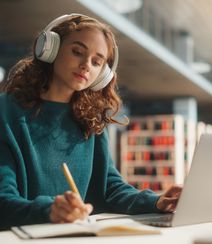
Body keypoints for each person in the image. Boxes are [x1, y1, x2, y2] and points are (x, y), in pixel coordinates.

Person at [0, 13, 182, 230]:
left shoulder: (90, 121)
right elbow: (3, 199)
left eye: (97, 62)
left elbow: (109, 187)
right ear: (50, 49)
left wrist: (157, 201)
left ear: (102, 74)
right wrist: (49, 210)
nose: (86, 65)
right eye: (77, 52)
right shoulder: (6, 112)